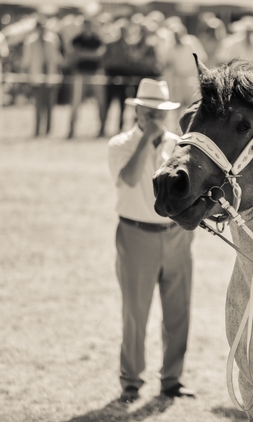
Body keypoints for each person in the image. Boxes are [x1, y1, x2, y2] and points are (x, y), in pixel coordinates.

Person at [107, 78, 195, 403]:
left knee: (178, 312)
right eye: (149, 112)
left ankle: (172, 380)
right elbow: (128, 179)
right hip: (135, 235)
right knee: (135, 313)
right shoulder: (120, 144)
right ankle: (131, 381)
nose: (155, 118)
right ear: (138, 112)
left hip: (175, 237)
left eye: (160, 112)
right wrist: (147, 142)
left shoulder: (179, 145)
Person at [21, 15, 63, 137]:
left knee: (50, 106)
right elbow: (26, 61)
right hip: (36, 77)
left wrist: (58, 73)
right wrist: (26, 77)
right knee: (38, 106)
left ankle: (49, 130)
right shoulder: (29, 41)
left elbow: (57, 58)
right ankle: (37, 131)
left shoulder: (53, 39)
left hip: (51, 77)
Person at [67, 17, 106, 138]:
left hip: (95, 73)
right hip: (80, 74)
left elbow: (99, 55)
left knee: (100, 103)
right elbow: (73, 56)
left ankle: (102, 129)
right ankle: (71, 130)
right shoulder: (76, 39)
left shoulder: (97, 39)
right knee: (75, 103)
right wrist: (90, 54)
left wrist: (83, 54)